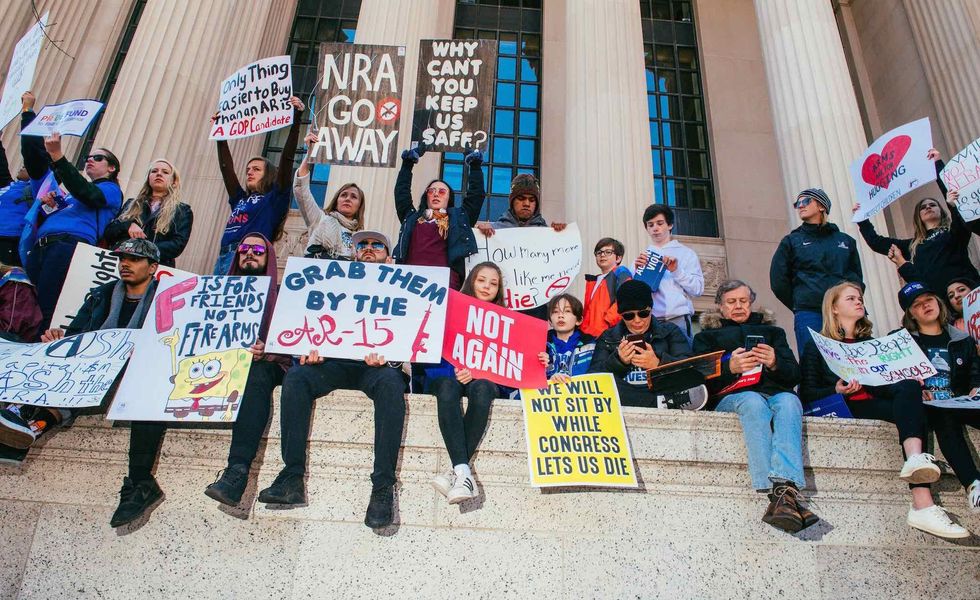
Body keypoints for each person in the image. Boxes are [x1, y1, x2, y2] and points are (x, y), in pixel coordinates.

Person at [112, 233, 290, 522]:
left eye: (258, 250)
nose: (249, 254)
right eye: (244, 249)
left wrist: (268, 349)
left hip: (260, 364)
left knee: (255, 376)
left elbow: (294, 342)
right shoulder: (209, 292)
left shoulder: (282, 296)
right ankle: (139, 481)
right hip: (206, 365)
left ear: (269, 257)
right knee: (157, 376)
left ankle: (236, 473)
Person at [260, 229, 408, 529]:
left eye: (376, 245)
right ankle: (291, 477)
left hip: (375, 368)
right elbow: (306, 321)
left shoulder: (403, 288)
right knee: (297, 378)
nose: (368, 249)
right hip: (332, 362)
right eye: (361, 245)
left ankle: (382, 487)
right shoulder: (331, 280)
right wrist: (306, 349)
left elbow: (409, 340)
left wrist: (389, 359)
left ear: (388, 257)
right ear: (353, 254)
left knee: (392, 384)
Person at [799, 282, 968, 538]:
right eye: (851, 298)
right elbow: (807, 394)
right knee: (916, 412)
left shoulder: (872, 343)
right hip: (846, 405)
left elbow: (885, 387)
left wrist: (910, 381)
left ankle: (915, 462)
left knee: (912, 390)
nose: (859, 302)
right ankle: (922, 501)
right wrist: (836, 389)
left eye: (860, 298)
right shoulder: (817, 345)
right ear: (834, 308)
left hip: (874, 402)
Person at [0, 239, 159, 467]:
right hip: (91, 362)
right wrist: (57, 340)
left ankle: (25, 430)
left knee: (81, 376)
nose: (125, 264)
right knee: (52, 355)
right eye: (122, 259)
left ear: (152, 267)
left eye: (134, 259)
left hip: (128, 370)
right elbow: (77, 336)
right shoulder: (101, 295)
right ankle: (19, 423)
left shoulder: (164, 299)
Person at [692, 279, 817, 533]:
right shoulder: (706, 337)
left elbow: (794, 375)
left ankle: (783, 492)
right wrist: (729, 367)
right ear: (720, 306)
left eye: (743, 301)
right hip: (733, 398)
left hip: (774, 393)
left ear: (751, 303)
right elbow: (695, 379)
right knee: (754, 403)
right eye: (731, 302)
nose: (738, 306)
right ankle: (778, 493)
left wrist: (774, 362)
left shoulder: (774, 333)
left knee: (790, 401)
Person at [426, 261, 548, 504]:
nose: (486, 286)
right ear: (471, 280)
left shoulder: (509, 321)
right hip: (446, 377)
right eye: (481, 280)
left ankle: (457, 473)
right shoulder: (448, 310)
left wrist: (541, 361)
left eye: (493, 283)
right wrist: (455, 371)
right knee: (448, 387)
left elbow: (512, 364)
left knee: (482, 389)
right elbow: (432, 351)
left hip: (485, 382)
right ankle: (463, 473)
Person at [24, 132, 123, 333]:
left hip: (67, 245)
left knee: (47, 303)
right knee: (28, 302)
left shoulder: (110, 189)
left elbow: (88, 194)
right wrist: (47, 206)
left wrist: (58, 157)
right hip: (43, 245)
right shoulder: (70, 195)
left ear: (111, 168)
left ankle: (38, 347)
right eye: (88, 158)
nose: (90, 161)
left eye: (98, 158)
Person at [899, 281, 980, 514]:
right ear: (911, 314)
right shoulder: (902, 341)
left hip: (960, 402)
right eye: (917, 305)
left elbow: (975, 375)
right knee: (945, 418)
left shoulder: (962, 339)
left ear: (938, 302)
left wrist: (976, 388)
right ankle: (973, 484)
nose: (925, 306)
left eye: (929, 300)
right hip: (929, 408)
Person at [853, 150, 978, 296]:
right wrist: (862, 219)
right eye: (923, 207)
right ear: (918, 216)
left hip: (968, 293)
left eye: (932, 205)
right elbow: (876, 242)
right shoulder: (912, 246)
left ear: (942, 211)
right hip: (938, 302)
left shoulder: (953, 232)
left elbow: (953, 197)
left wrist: (937, 165)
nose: (928, 207)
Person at [211, 96, 305, 274]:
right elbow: (226, 170)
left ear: (268, 174)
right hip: (225, 256)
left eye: (256, 169)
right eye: (248, 169)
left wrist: (296, 119)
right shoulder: (240, 199)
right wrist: (220, 134)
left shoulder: (274, 199)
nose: (249, 172)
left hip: (250, 256)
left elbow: (286, 160)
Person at [770, 188, 863, 353]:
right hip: (810, 312)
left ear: (821, 206)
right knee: (812, 363)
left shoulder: (845, 241)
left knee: (855, 360)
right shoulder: (791, 241)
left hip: (844, 312)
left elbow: (855, 278)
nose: (800, 206)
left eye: (805, 201)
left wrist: (848, 300)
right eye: (797, 203)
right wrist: (800, 302)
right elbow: (778, 282)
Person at [589, 279, 704, 409]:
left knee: (694, 379)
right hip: (627, 393)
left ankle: (662, 401)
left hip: (661, 389)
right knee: (605, 386)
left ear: (651, 310)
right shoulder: (608, 337)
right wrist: (618, 362)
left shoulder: (669, 331)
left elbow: (690, 369)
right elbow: (593, 379)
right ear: (621, 315)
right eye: (629, 316)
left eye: (643, 313)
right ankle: (661, 403)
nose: (637, 320)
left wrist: (658, 364)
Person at [393, 143, 485, 290]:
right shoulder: (411, 218)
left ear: (449, 199)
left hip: (445, 286)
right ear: (426, 196)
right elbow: (401, 193)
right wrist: (407, 164)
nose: (436, 194)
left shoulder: (459, 218)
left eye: (442, 192)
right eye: (431, 191)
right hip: (409, 285)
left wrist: (474, 166)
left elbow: (476, 196)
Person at [632, 204, 703, 343]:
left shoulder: (686, 253)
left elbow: (698, 289)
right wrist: (636, 273)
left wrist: (676, 270)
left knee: (682, 361)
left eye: (660, 223)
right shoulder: (642, 258)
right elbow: (635, 295)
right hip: (650, 322)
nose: (655, 228)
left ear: (670, 225)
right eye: (650, 225)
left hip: (678, 318)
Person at [103, 159, 193, 267]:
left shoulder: (182, 210)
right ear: (148, 178)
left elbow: (177, 245)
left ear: (174, 182)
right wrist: (128, 225)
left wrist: (143, 249)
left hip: (154, 266)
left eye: (165, 172)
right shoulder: (131, 204)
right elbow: (109, 232)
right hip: (120, 263)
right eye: (154, 171)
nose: (159, 174)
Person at [293, 132, 364, 259]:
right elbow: (301, 189)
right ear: (336, 200)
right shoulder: (320, 219)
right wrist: (310, 153)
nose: (347, 198)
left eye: (354, 197)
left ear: (360, 206)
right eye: (343, 195)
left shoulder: (361, 236)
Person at [0, 93, 40, 266]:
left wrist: (27, 111)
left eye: (28, 165)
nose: (23, 165)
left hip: (8, 241)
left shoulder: (38, 186)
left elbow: (32, 150)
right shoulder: (9, 187)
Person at [476, 173, 567, 235]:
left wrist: (561, 234)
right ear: (512, 201)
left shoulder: (548, 233)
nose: (526, 204)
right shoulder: (493, 231)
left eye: (531, 200)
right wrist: (479, 233)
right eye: (521, 198)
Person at [582, 237, 631, 337]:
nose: (602, 255)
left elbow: (625, 300)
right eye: (599, 252)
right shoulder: (594, 280)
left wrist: (607, 322)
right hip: (588, 334)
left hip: (607, 334)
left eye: (608, 252)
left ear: (618, 258)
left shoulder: (621, 273)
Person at [545, 293, 596, 381]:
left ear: (579, 320)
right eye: (555, 311)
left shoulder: (592, 346)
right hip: (550, 394)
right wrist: (549, 377)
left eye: (567, 311)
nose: (560, 315)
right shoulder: (539, 346)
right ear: (550, 321)